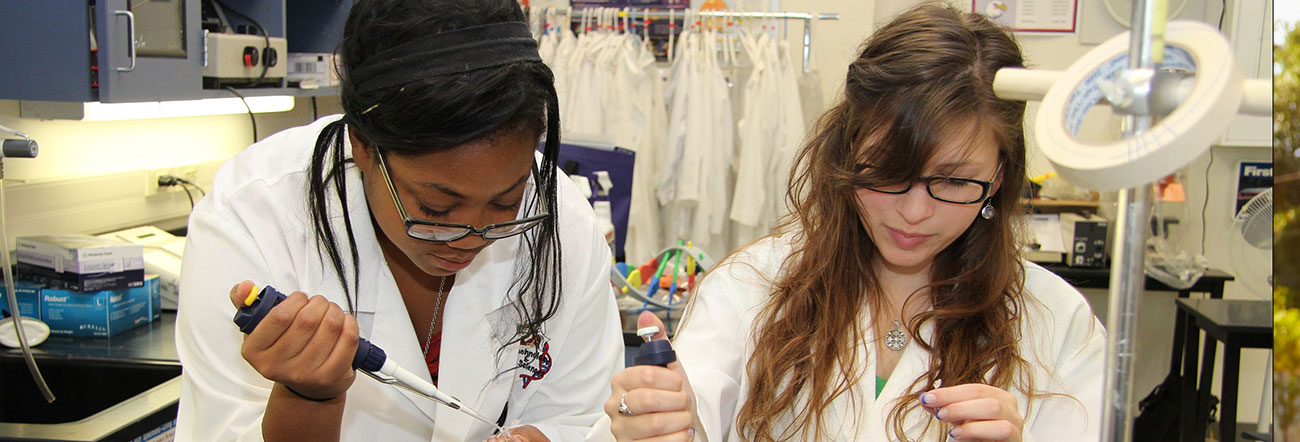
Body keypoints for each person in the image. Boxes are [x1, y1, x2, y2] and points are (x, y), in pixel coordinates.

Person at [598, 4, 1106, 441]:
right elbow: (686, 404)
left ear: (996, 179)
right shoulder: (756, 285)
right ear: (847, 152)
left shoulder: (1054, 322)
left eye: (953, 182)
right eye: (887, 171)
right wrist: (648, 416)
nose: (913, 212)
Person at [174, 1, 624, 441]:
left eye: (505, 204)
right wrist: (307, 398)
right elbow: (224, 430)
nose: (470, 239)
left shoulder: (560, 216)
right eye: (436, 208)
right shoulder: (254, 219)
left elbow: (585, 415)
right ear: (363, 146)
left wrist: (539, 437)